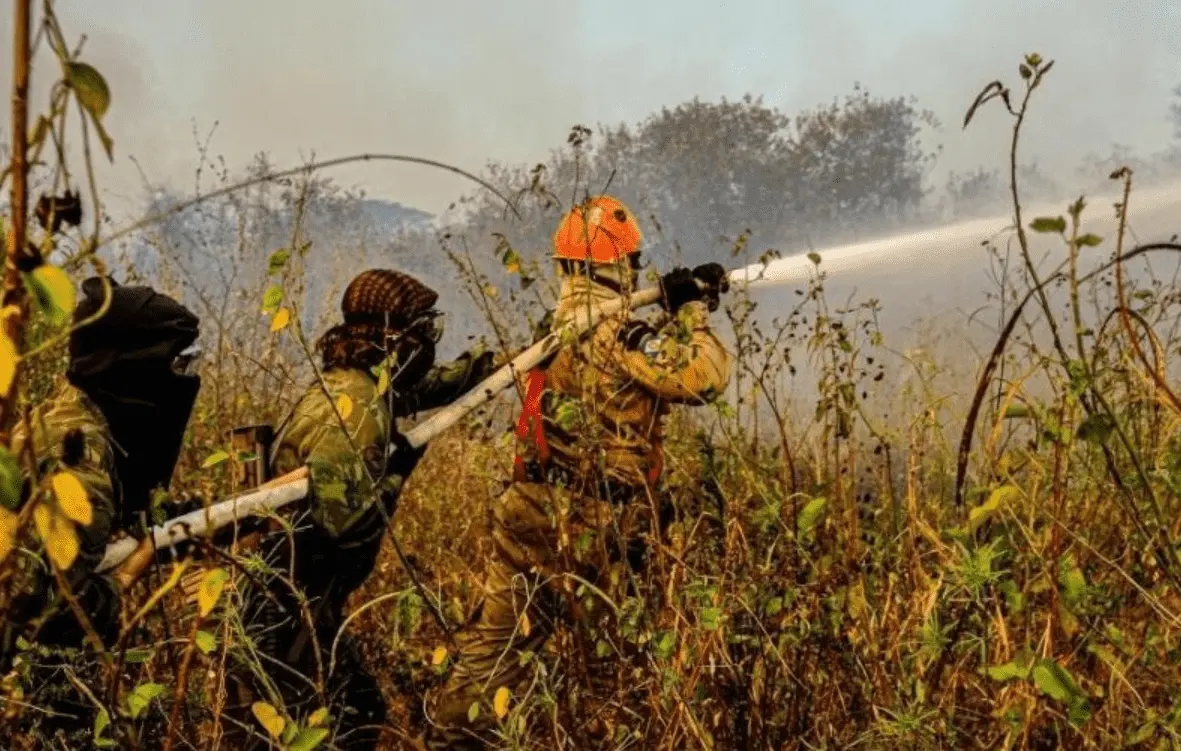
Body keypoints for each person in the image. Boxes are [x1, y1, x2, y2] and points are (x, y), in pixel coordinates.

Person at [427, 195, 731, 747]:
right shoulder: (614, 334)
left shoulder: (556, 327)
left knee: (490, 658)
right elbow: (699, 379)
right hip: (597, 527)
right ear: (622, 265)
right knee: (615, 676)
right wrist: (693, 313)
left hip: (529, 515)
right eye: (634, 261)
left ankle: (454, 738)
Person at [235, 268, 495, 750]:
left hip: (299, 600)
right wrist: (397, 469)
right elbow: (345, 521)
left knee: (353, 709)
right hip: (288, 606)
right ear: (393, 338)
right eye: (424, 332)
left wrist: (505, 359)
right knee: (326, 724)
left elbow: (427, 388)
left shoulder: (354, 383)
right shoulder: (356, 409)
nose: (428, 343)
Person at [0, 277, 201, 729]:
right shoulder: (82, 453)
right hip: (26, 692)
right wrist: (128, 575)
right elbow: (47, 607)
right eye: (176, 364)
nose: (183, 379)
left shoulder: (61, 417)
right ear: (135, 369)